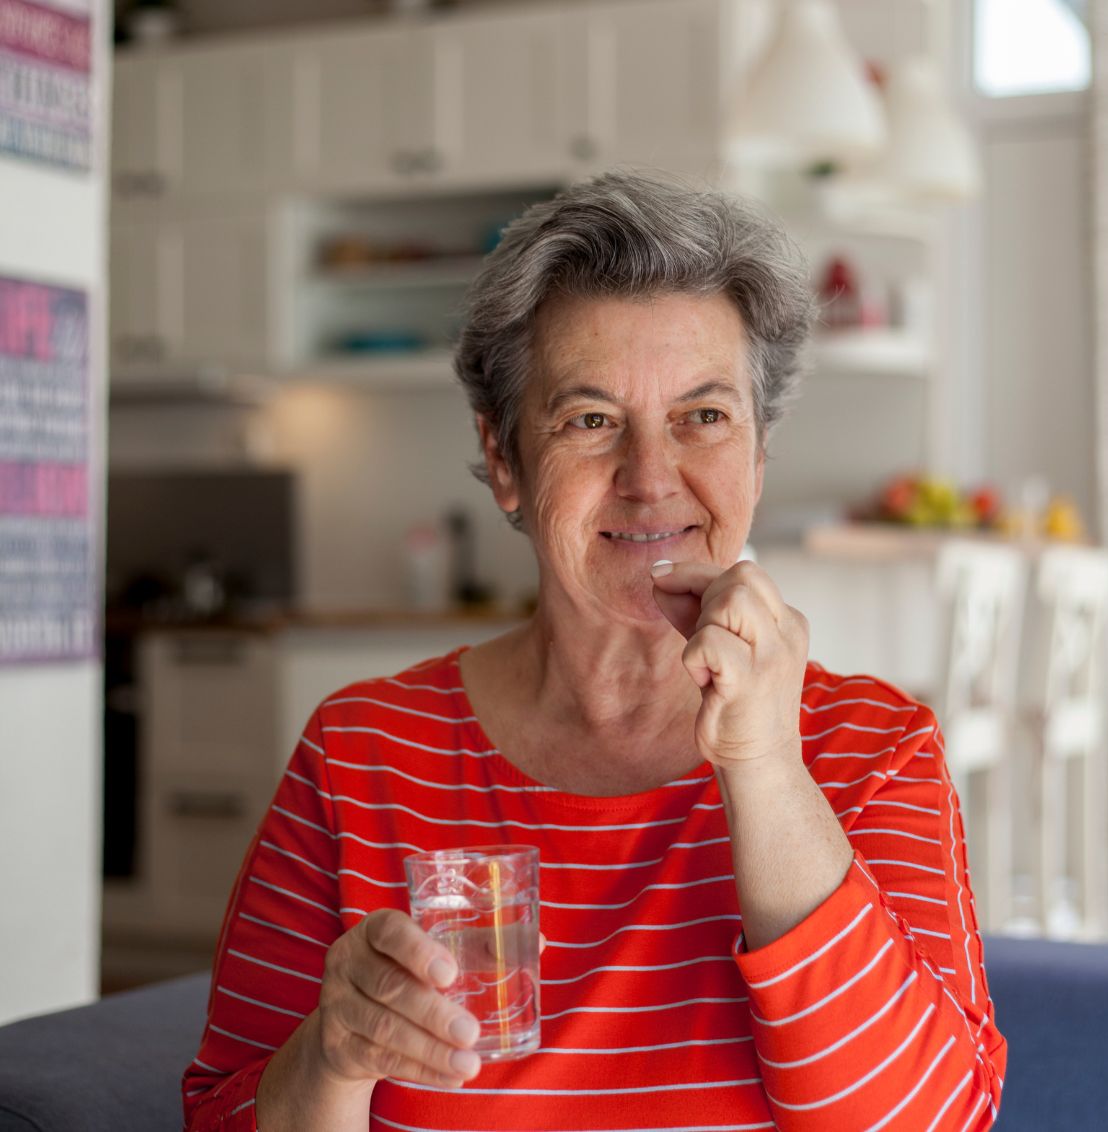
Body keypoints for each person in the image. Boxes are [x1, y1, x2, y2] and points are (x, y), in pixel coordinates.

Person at [184, 170, 1006, 1131]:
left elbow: (928, 1120)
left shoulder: (876, 749)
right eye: (590, 420)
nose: (651, 480)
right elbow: (224, 1117)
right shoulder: (360, 754)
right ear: (505, 461)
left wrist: (767, 770)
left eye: (703, 416)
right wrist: (332, 1059)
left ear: (760, 452)